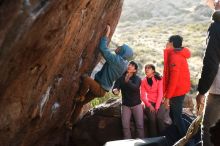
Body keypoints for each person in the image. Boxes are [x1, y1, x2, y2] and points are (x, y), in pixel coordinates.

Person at [75, 25, 133, 104]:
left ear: (123, 52)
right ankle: (77, 107)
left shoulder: (117, 60)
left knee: (86, 79)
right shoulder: (124, 64)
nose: (118, 46)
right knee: (79, 105)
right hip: (102, 89)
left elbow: (103, 48)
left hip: (100, 88)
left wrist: (107, 34)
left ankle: (80, 96)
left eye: (121, 47)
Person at [196, 1, 220, 145]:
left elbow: (211, 62)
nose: (214, 3)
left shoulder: (216, 26)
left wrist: (202, 90)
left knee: (208, 129)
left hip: (217, 89)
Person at [163, 35, 191, 141]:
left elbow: (173, 79)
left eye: (168, 42)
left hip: (177, 91)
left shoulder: (175, 57)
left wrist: (167, 97)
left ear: (172, 44)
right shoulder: (176, 54)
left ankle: (186, 141)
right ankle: (181, 138)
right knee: (175, 116)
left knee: (177, 118)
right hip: (179, 90)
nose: (166, 43)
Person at [112, 61, 144, 139]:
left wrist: (127, 81)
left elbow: (135, 88)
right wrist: (115, 91)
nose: (130, 66)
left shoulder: (137, 78)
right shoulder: (121, 78)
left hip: (137, 105)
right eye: (129, 64)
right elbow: (115, 88)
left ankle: (142, 142)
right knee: (125, 126)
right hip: (125, 105)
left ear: (135, 70)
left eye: (132, 65)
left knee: (140, 126)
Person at [140, 64, 168, 137]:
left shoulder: (159, 79)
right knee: (152, 119)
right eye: (145, 68)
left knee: (159, 118)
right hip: (149, 103)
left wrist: (157, 107)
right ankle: (154, 139)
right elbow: (142, 96)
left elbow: (160, 94)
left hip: (160, 103)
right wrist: (149, 106)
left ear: (153, 70)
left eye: (149, 68)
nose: (146, 69)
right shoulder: (143, 81)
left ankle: (163, 137)